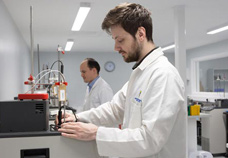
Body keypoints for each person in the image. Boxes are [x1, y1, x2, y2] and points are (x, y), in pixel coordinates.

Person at [57, 3, 186, 158]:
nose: (116, 47)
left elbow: (150, 140)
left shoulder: (163, 75)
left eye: (120, 40)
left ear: (140, 33)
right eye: (115, 40)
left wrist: (97, 133)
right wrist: (78, 117)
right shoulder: (139, 73)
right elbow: (114, 109)